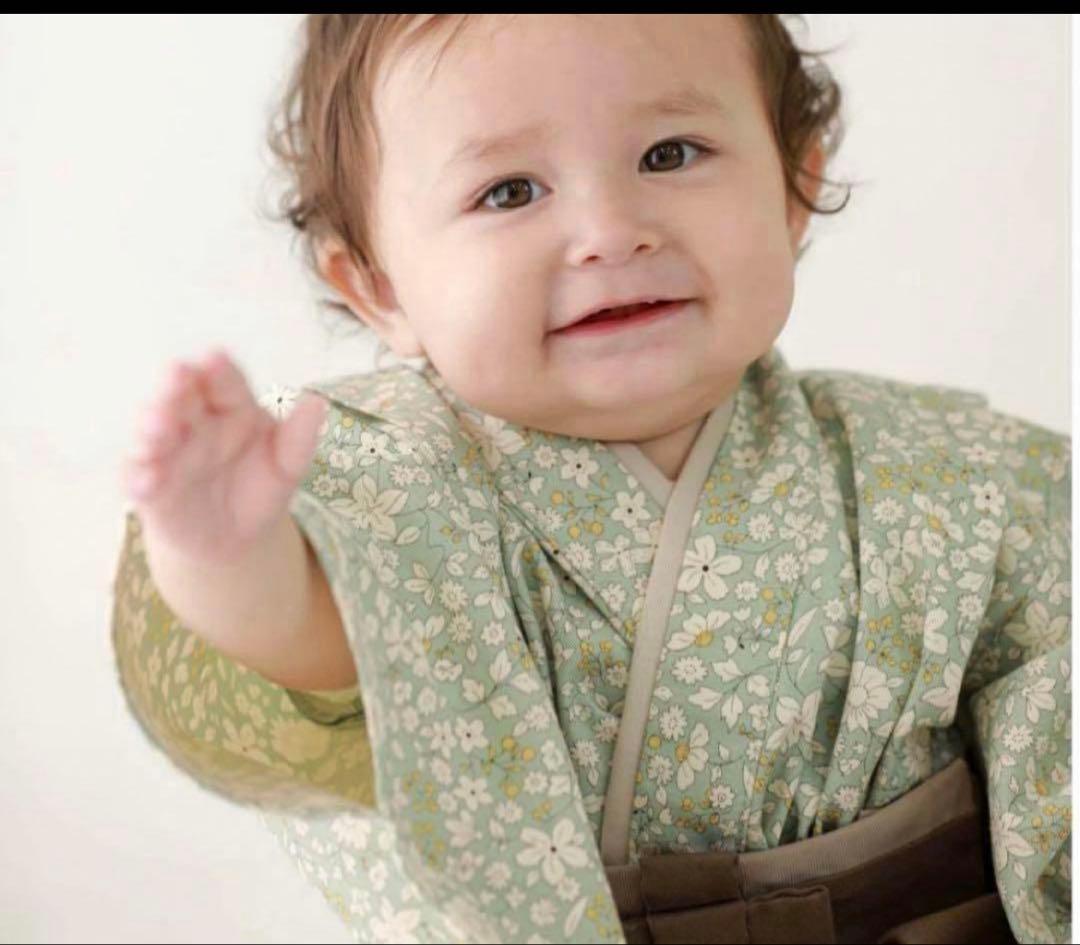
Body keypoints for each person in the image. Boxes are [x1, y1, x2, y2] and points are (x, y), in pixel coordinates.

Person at [112, 15, 1070, 944]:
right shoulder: (396, 486)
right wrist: (229, 556)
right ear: (380, 287)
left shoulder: (956, 476)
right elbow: (323, 644)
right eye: (510, 191)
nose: (611, 233)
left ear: (793, 187)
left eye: (669, 154)